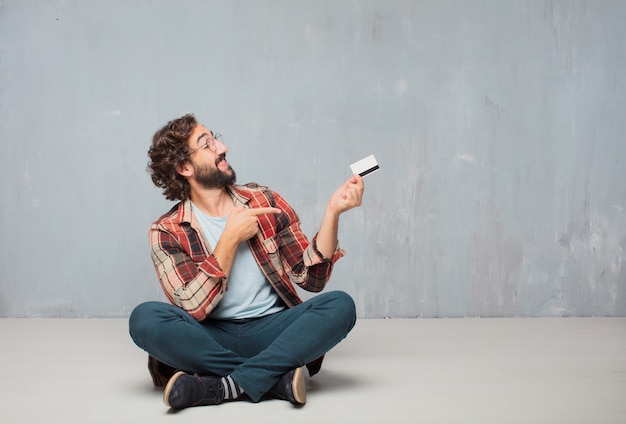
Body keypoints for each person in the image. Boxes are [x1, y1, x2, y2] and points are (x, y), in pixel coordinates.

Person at [129, 114, 365, 409]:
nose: (223, 147)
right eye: (208, 144)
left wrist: (333, 213)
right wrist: (229, 239)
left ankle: (223, 386)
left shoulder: (264, 200)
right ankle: (273, 377)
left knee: (340, 306)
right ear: (184, 167)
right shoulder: (167, 231)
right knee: (144, 319)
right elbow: (193, 307)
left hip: (274, 330)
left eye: (216, 138)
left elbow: (311, 279)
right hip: (210, 338)